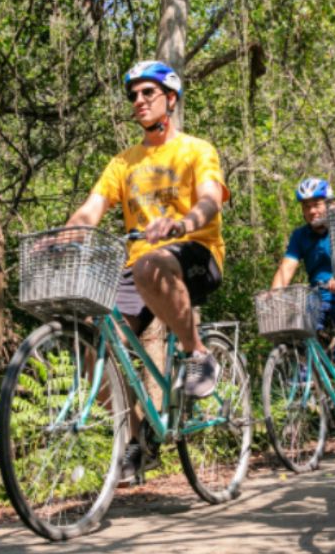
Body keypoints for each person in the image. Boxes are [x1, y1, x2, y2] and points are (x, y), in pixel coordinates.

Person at [62, 60, 231, 483]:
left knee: (153, 263)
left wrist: (183, 223)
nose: (138, 101)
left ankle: (198, 353)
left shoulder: (197, 149)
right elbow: (92, 208)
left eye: (147, 93)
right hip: (140, 268)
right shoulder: (124, 162)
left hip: (195, 253)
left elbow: (210, 199)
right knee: (95, 345)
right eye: (133, 95)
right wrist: (67, 233)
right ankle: (136, 441)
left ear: (170, 99)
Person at [270, 177, 335, 352]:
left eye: (317, 204)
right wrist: (273, 296)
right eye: (306, 206)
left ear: (328, 204)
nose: (312, 210)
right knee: (297, 337)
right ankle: (302, 376)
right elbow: (286, 269)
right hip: (317, 298)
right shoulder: (300, 236)